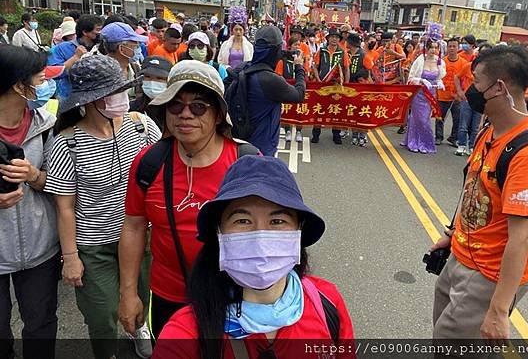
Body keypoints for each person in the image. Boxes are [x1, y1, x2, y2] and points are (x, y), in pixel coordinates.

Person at [153, 155, 354, 359]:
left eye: (277, 221)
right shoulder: (184, 335)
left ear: (298, 230)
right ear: (219, 232)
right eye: (243, 220)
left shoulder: (327, 302)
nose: (260, 237)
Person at [119, 60, 255, 340]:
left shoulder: (247, 163)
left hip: (235, 297)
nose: (185, 115)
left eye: (198, 106)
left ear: (218, 115)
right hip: (169, 297)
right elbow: (133, 227)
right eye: (175, 105)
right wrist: (129, 294)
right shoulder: (149, 163)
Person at [431, 45, 528, 340]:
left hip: (487, 277)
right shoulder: (491, 131)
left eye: (477, 81)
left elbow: (522, 236)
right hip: (459, 258)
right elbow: (474, 189)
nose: (471, 88)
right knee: (443, 339)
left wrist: (499, 310)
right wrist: (453, 235)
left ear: (499, 88)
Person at [45, 55, 161, 359]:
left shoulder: (142, 127)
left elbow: (165, 173)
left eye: (122, 89)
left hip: (139, 237)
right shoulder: (66, 143)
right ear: (91, 100)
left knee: (141, 297)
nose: (121, 98)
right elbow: (66, 207)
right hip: (94, 245)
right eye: (112, 92)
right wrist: (70, 257)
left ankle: (140, 329)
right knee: (101, 313)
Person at [0, 46, 60, 359]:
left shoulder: (48, 124)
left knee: (41, 324)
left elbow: (64, 185)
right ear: (17, 84)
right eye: (40, 78)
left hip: (40, 248)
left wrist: (35, 175)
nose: (46, 84)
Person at [231, 25, 306, 156]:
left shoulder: (243, 68)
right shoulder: (270, 80)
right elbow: (299, 95)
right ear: (276, 50)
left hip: (239, 142)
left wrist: (288, 53)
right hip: (262, 148)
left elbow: (270, 52)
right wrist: (299, 67)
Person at [402, 39, 446, 154]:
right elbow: (411, 77)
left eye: (436, 48)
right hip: (420, 93)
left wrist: (440, 82)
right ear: (426, 47)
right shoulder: (420, 60)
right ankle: (414, 142)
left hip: (431, 93)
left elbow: (439, 77)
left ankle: (425, 143)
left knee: (425, 119)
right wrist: (421, 80)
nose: (433, 50)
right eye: (431, 47)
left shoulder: (439, 61)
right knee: (418, 118)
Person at [48, 15, 103, 100]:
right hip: (69, 98)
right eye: (98, 30)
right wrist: (75, 58)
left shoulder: (101, 48)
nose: (100, 33)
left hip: (95, 98)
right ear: (85, 32)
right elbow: (53, 73)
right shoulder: (61, 48)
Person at [311, 28, 350, 145]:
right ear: (328, 39)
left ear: (339, 39)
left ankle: (336, 134)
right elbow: (315, 66)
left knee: (336, 110)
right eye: (332, 37)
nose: (334, 39)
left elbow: (347, 68)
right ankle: (316, 134)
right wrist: (318, 79)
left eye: (337, 37)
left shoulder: (343, 53)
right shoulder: (321, 51)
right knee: (319, 108)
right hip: (323, 84)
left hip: (337, 86)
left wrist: (347, 84)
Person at [275, 38, 310, 143]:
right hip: (287, 89)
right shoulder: (283, 61)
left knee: (300, 109)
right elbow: (278, 75)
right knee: (287, 110)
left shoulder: (303, 60)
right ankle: (287, 131)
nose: (297, 47)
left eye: (299, 45)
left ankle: (299, 131)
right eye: (295, 45)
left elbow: (307, 73)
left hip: (299, 87)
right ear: (289, 47)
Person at [435, 37, 466, 146]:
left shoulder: (463, 63)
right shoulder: (441, 61)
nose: (452, 48)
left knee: (457, 118)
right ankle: (438, 137)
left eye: (454, 46)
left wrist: (461, 93)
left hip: (456, 96)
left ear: (458, 48)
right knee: (440, 117)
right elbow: (437, 77)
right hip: (442, 94)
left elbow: (464, 80)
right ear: (447, 48)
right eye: (450, 46)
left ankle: (453, 138)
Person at [129, 56, 172, 130]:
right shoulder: (132, 108)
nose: (152, 82)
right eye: (147, 76)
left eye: (159, 78)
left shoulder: (175, 109)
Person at [454, 58, 482, 156]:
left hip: (480, 100)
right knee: (463, 124)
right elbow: (457, 77)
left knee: (476, 126)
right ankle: (461, 145)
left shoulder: (489, 69)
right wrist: (460, 91)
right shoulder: (468, 66)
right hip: (467, 100)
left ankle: (472, 146)